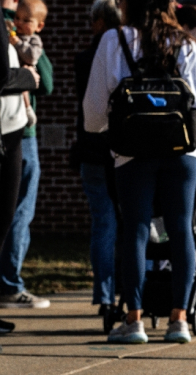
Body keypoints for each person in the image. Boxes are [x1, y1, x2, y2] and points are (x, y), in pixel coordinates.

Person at [83, 0, 196, 344]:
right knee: (181, 228)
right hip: (182, 150)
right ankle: (179, 319)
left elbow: (93, 111)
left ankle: (134, 319)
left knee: (136, 229)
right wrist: (192, 140)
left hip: (132, 151)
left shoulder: (114, 40)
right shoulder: (186, 42)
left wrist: (105, 129)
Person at [0, 0, 52, 310]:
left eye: (26, 18)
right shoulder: (10, 29)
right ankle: (9, 283)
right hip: (15, 133)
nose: (20, 21)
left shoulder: (20, 35)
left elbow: (44, 81)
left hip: (20, 130)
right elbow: (44, 82)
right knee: (17, 211)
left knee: (17, 211)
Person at [71, 0, 120, 316]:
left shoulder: (86, 59)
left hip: (92, 147)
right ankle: (129, 290)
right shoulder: (132, 51)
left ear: (99, 21)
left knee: (103, 222)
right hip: (122, 149)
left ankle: (104, 295)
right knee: (132, 222)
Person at [0, 10, 39, 333]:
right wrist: (29, 78)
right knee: (4, 218)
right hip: (6, 136)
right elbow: (2, 76)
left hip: (11, 131)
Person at [7, 0, 44, 128]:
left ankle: (28, 109)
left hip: (25, 69)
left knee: (24, 84)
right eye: (17, 18)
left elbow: (32, 57)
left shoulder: (34, 40)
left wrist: (17, 44)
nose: (19, 23)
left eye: (26, 20)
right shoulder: (12, 34)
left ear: (39, 26)